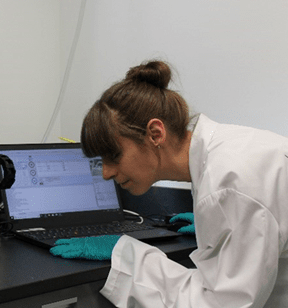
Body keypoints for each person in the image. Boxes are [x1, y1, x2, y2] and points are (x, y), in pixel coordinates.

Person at [52, 60, 288, 307]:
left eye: (114, 155)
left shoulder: (230, 185)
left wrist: (125, 254)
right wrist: (219, 227)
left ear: (155, 134)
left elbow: (219, 304)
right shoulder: (221, 156)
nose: (106, 173)